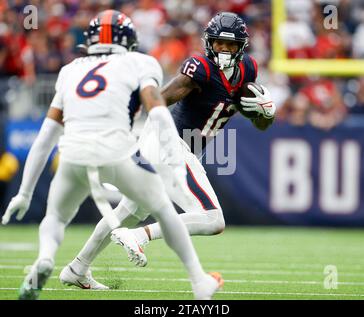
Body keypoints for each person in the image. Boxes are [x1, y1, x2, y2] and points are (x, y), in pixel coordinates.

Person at [1, 10, 223, 300]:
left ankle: (54, 260)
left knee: (57, 217)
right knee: (166, 211)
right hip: (116, 154)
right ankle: (198, 280)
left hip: (72, 155)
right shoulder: (141, 62)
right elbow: (159, 113)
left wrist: (25, 192)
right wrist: (176, 160)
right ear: (129, 39)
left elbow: (45, 136)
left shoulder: (71, 69)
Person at [57, 12, 277, 290]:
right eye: (219, 43)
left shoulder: (248, 70)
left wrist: (266, 113)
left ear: (241, 47)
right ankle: (140, 237)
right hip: (170, 144)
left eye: (230, 45)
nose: (224, 49)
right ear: (210, 43)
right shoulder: (200, 68)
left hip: (175, 147)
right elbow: (158, 99)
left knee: (127, 210)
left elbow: (261, 125)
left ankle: (77, 268)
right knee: (213, 219)